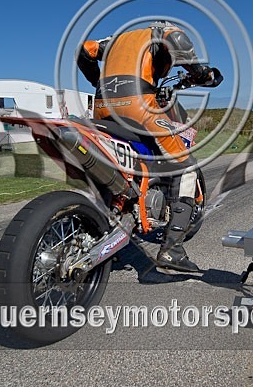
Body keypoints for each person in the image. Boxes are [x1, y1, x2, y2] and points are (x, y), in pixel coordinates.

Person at [77, 21, 222, 272]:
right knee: (185, 168)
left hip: (101, 108)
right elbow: (178, 40)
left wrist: (96, 82)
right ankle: (172, 250)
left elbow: (83, 51)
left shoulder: (113, 40)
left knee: (124, 164)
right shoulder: (160, 33)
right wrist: (200, 73)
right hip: (138, 106)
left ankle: (107, 228)